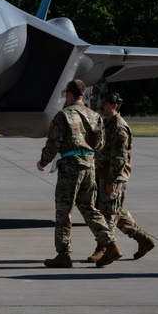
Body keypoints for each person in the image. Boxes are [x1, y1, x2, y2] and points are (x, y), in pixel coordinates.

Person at [35, 79, 117, 268]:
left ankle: (63, 254)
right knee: (89, 208)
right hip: (89, 167)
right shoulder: (94, 116)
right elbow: (100, 144)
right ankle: (110, 244)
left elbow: (53, 143)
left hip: (71, 168)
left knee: (64, 211)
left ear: (70, 95)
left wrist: (43, 162)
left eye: (66, 94)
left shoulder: (63, 116)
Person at [90, 91, 156, 266]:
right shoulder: (107, 123)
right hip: (104, 175)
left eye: (105, 103)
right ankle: (143, 240)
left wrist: (112, 181)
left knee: (108, 215)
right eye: (101, 102)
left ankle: (106, 250)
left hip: (113, 178)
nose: (101, 105)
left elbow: (119, 158)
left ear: (115, 105)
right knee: (116, 211)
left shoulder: (119, 128)